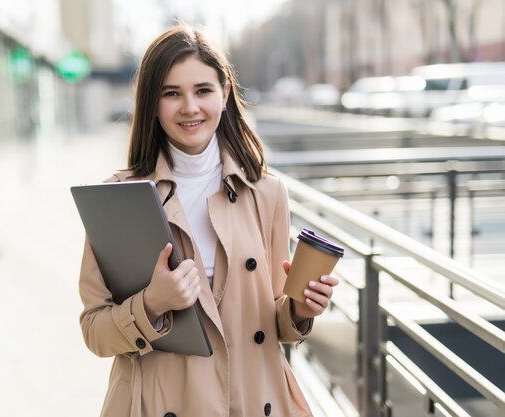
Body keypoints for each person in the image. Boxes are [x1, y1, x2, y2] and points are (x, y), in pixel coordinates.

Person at [78, 24, 339, 417]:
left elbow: (273, 320)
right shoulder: (119, 197)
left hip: (251, 401)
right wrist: (152, 304)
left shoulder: (266, 192)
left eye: (203, 90)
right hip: (161, 402)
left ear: (225, 93)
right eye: (172, 93)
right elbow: (95, 332)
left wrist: (301, 311)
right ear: (152, 102)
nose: (190, 107)